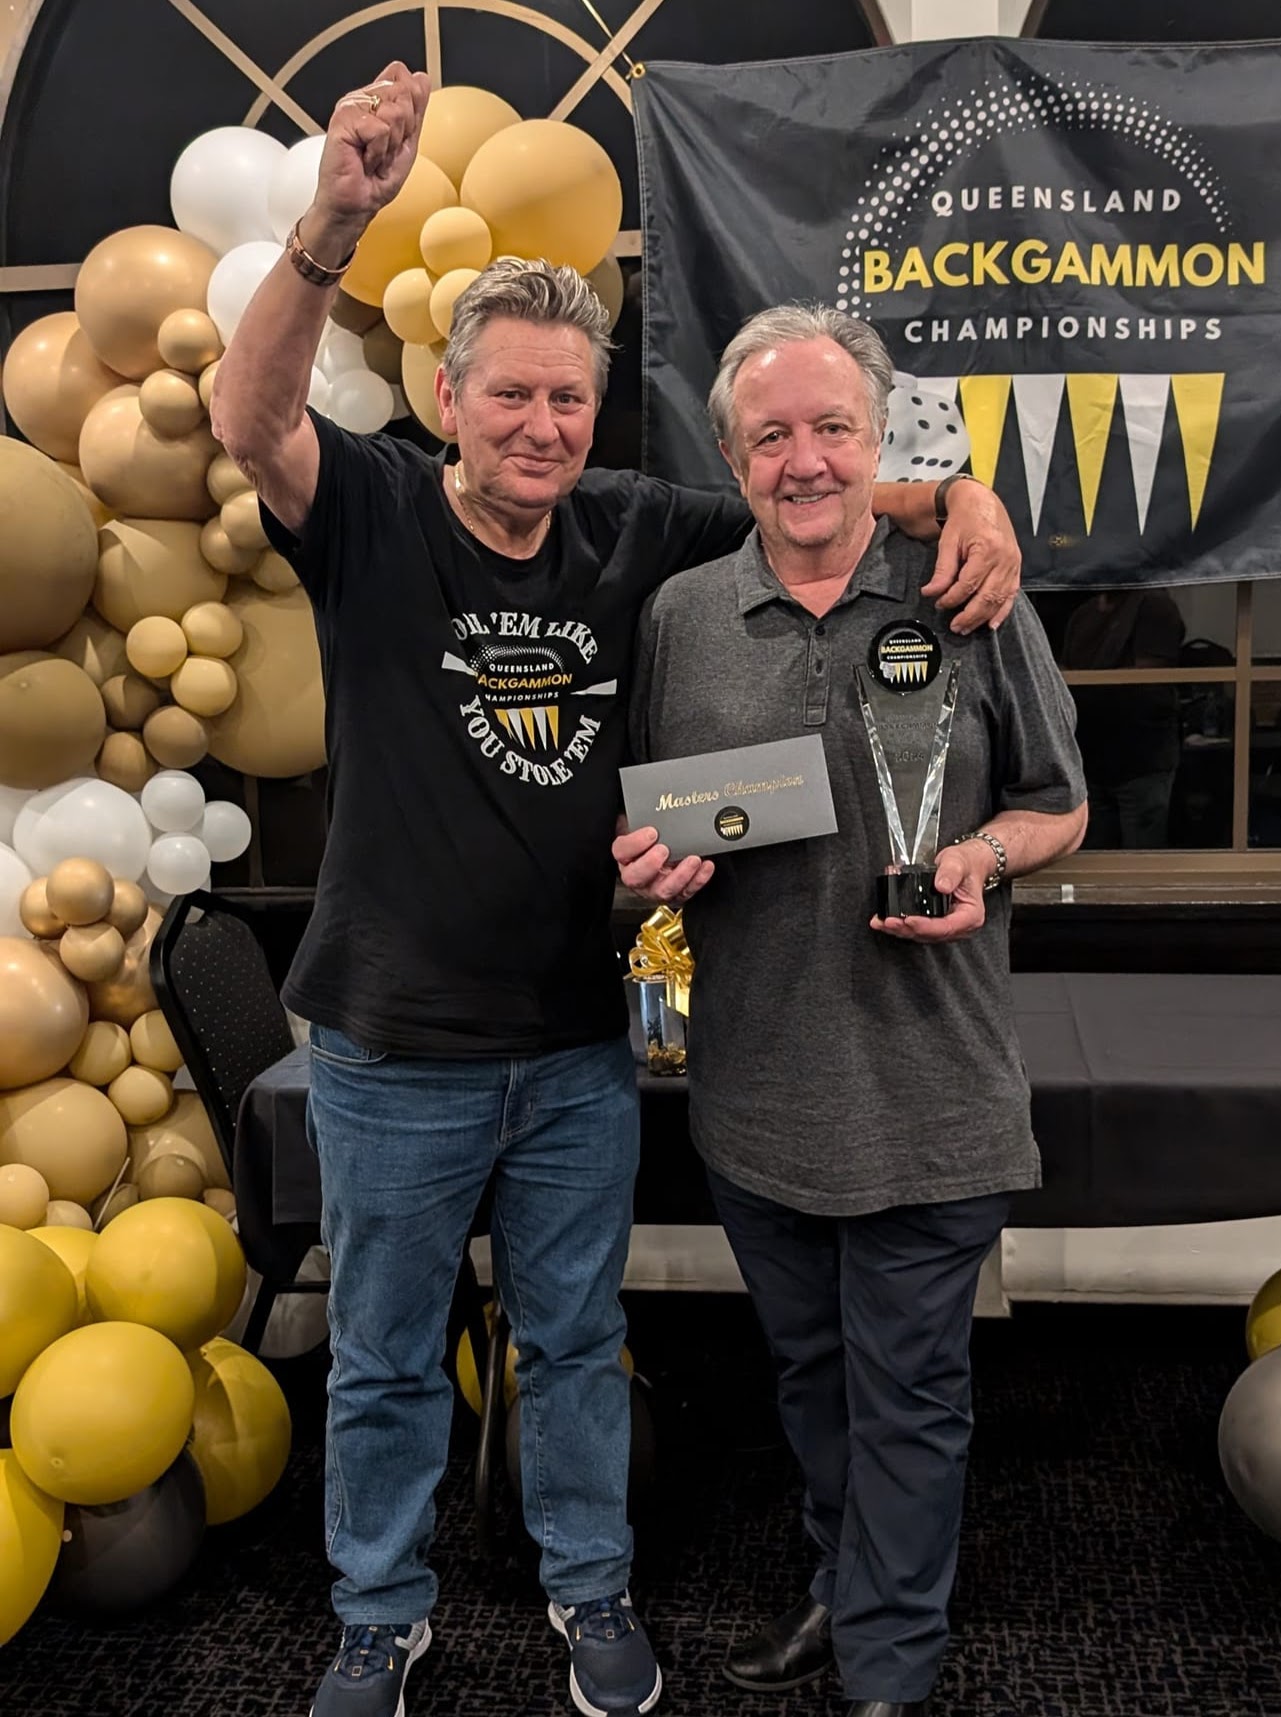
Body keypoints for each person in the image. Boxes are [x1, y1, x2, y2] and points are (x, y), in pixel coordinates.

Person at [210, 60, 1026, 1717]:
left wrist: (958, 494)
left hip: (580, 1043)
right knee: (378, 1362)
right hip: (389, 1044)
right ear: (449, 397)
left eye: (567, 402)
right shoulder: (366, 510)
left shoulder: (635, 527)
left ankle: (593, 1595)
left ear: (597, 415)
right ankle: (377, 1617)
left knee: (580, 1347)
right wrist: (333, 224)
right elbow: (249, 421)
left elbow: (810, 500)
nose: (538, 427)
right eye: (508, 397)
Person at [614, 305, 1087, 1717]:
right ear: (731, 457)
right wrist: (655, 879)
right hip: (756, 1094)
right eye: (774, 435)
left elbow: (1059, 805)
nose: (806, 460)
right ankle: (844, 1575)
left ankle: (888, 1651)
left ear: (882, 447)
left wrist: (982, 858)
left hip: (930, 1086)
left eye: (834, 430)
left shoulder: (968, 589)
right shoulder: (681, 617)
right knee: (810, 1379)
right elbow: (655, 841)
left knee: (910, 1391)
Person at [1059, 587, 1185, 848]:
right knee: (1094, 858)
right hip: (1089, 761)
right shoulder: (1083, 614)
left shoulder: (1155, 606)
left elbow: (1147, 680)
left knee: (1141, 861)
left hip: (1141, 760)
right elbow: (1065, 673)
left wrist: (1081, 685)